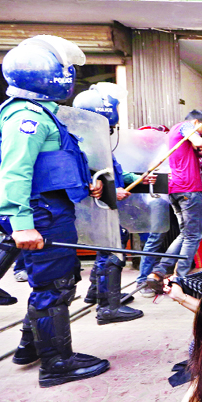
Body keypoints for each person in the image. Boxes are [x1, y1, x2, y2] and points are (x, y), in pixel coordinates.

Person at [0, 35, 111, 387]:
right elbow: (16, 171)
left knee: (52, 283)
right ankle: (57, 363)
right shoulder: (25, 116)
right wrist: (20, 222)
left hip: (51, 209)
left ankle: (30, 348)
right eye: (64, 68)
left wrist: (87, 182)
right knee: (54, 286)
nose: (69, 74)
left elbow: (53, 164)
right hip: (42, 215)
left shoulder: (43, 112)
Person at [72, 85, 148, 325]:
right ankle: (108, 307)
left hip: (102, 204)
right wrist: (110, 190)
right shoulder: (85, 144)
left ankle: (98, 293)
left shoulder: (95, 141)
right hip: (96, 206)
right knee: (112, 250)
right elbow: (88, 176)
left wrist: (135, 179)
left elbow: (112, 171)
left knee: (107, 248)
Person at [146, 110, 202, 291]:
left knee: (186, 234)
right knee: (193, 236)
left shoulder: (174, 135)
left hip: (176, 190)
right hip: (190, 189)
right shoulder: (185, 127)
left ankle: (159, 272)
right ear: (195, 122)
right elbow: (200, 142)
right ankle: (180, 278)